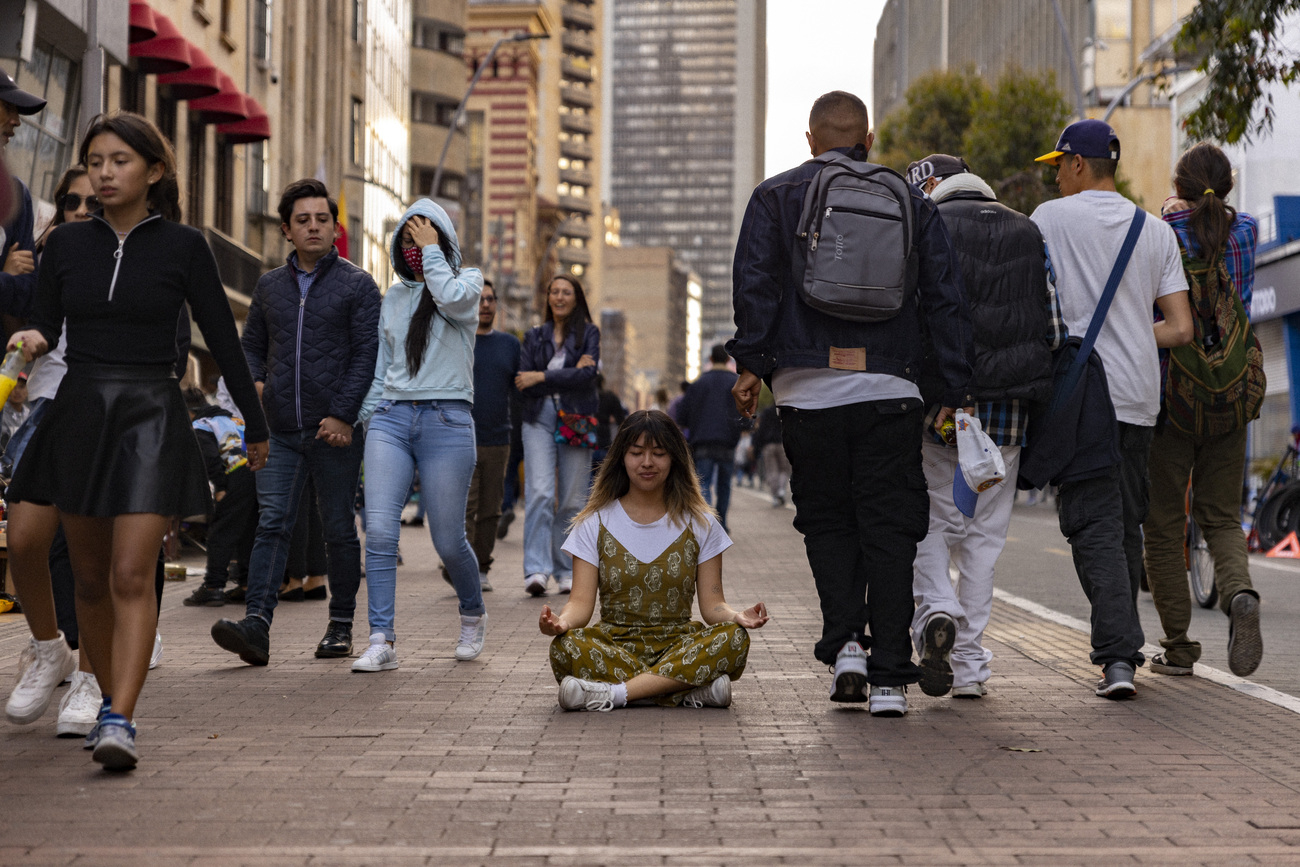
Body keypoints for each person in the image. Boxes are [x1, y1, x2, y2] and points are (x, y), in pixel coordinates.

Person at [3, 111, 268, 770]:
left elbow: (223, 338)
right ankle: (84, 679)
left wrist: (255, 426)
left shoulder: (184, 247)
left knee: (128, 572)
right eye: (95, 160)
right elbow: (43, 319)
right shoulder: (66, 245)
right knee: (88, 578)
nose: (103, 171)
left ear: (153, 171)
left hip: (151, 411)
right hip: (80, 410)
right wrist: (30, 338)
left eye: (118, 160)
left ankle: (119, 715)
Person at [728, 91, 973, 718]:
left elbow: (756, 287)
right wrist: (950, 391)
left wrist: (752, 366)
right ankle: (891, 676)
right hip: (892, 391)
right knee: (890, 528)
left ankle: (847, 651)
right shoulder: (912, 202)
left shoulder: (776, 196)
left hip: (807, 392)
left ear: (811, 139)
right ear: (868, 139)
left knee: (829, 523)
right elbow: (944, 301)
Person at [1031, 119, 1193, 699]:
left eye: (1057, 167)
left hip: (1081, 400)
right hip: (1138, 400)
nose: (1054, 179)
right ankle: (1121, 648)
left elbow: (1033, 308)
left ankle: (1118, 657)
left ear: (1077, 163)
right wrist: (1130, 332)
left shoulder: (1048, 222)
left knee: (1090, 525)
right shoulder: (1155, 231)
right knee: (1123, 524)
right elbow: (1180, 327)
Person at [904, 154, 1065, 699]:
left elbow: (919, 316)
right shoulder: (1028, 229)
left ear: (934, 189)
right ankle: (970, 667)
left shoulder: (929, 225)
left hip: (945, 412)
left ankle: (937, 616)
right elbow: (1054, 325)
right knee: (985, 542)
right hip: (1009, 417)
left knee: (934, 522)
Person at [210, 178, 380, 666]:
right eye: (302, 220)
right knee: (273, 525)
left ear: (335, 226)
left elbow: (366, 356)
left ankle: (341, 626)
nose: (313, 227)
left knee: (338, 530)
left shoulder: (358, 284)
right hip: (280, 429)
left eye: (321, 219)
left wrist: (343, 414)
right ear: (287, 229)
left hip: (336, 431)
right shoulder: (268, 287)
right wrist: (256, 386)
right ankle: (256, 627)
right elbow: (250, 349)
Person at [539, 409, 768, 711]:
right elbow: (581, 603)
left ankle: (614, 694)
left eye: (658, 453)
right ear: (622, 457)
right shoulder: (593, 523)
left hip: (679, 644)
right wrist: (561, 622)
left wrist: (736, 616)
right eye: (636, 453)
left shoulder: (701, 523)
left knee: (734, 638)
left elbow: (713, 605)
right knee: (565, 648)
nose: (647, 463)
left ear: (674, 458)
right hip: (615, 645)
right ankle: (687, 690)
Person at [1143, 142, 1263, 679]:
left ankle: (1178, 647)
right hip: (1232, 397)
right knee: (1221, 515)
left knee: (1165, 523)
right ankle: (1239, 592)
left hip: (1173, 397)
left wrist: (1170, 209)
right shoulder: (1248, 233)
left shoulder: (1162, 233)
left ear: (1180, 187)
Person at [353, 199, 486, 671]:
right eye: (407, 240)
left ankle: (472, 613)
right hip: (391, 419)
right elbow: (382, 369)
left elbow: (449, 298)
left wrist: (432, 252)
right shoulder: (393, 298)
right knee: (382, 533)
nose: (415, 247)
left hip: (447, 422)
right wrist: (361, 420)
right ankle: (381, 639)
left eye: (425, 236)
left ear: (444, 239)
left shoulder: (467, 283)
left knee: (448, 540)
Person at [516, 273, 600, 597]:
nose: (560, 297)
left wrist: (543, 375)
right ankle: (536, 569)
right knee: (539, 492)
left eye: (567, 292)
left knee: (572, 498)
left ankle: (566, 569)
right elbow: (524, 379)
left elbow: (588, 375)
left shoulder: (589, 333)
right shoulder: (534, 336)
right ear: (548, 297)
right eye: (555, 291)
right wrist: (568, 374)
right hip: (538, 417)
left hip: (576, 417)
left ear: (576, 298)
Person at [446, 279, 519, 593]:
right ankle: (460, 565)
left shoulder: (510, 345)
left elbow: (520, 390)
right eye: (479, 299)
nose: (485, 304)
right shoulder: (454, 339)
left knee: (491, 509)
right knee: (464, 507)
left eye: (490, 299)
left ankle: (482, 566)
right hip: (460, 437)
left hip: (498, 439)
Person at [182, 386, 260, 608]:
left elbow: (210, 459)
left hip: (234, 476)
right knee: (248, 531)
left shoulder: (200, 425)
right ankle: (246, 585)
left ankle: (213, 587)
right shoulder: (234, 420)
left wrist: (220, 487)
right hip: (257, 474)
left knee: (220, 532)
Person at [678, 345, 743, 530]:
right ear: (728, 361)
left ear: (711, 360)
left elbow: (682, 415)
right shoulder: (735, 382)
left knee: (703, 483)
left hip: (702, 440)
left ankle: (708, 523)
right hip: (728, 441)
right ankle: (722, 523)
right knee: (724, 484)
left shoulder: (698, 384)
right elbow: (744, 411)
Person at [0, 68, 41, 322]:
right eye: (8, 107)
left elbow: (28, 293)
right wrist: (5, 277)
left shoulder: (16, 195)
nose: (16, 120)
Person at [752, 404, 789, 507]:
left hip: (768, 445)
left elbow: (761, 429)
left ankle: (775, 495)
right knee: (784, 469)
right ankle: (781, 490)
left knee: (772, 471)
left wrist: (757, 446)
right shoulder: (784, 411)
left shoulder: (767, 412)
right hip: (782, 443)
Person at [0, 370, 28, 449]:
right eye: (13, 387)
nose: (17, 391)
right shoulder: (2, 409)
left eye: (21, 387)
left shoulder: (29, 414)